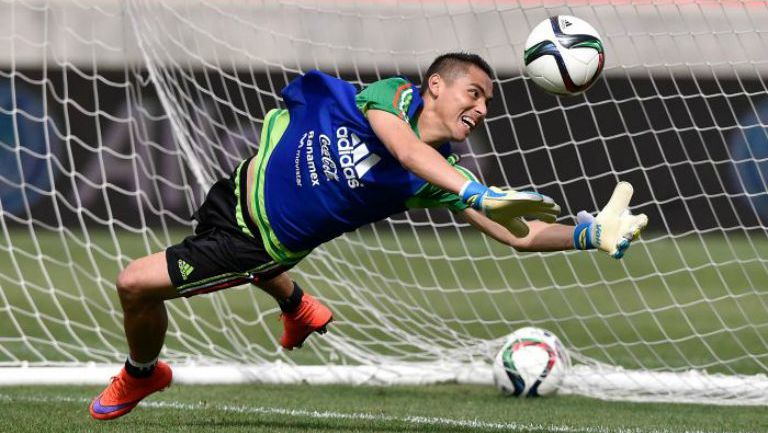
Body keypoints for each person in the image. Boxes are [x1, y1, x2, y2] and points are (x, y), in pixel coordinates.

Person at [89, 52, 647, 420]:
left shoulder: (438, 179)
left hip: (251, 243)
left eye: (486, 103)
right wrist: (477, 191)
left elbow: (519, 236)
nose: (480, 109)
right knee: (184, 262)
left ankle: (143, 374)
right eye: (473, 94)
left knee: (135, 285)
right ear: (433, 86)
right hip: (233, 188)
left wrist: (586, 233)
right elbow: (404, 148)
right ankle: (297, 303)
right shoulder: (389, 96)